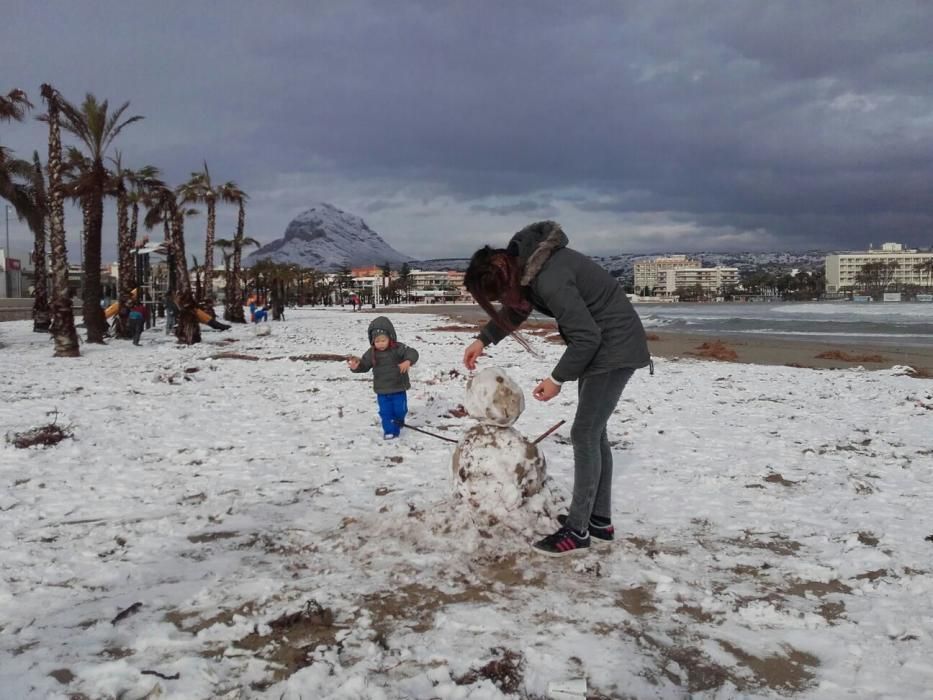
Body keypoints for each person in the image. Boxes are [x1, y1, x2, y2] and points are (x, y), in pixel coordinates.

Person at [462, 221, 651, 557]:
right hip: (605, 346)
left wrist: (556, 379)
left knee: (584, 434)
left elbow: (587, 337)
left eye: (497, 294)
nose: (501, 300)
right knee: (595, 434)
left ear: (504, 276)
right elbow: (517, 310)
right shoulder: (528, 269)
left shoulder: (549, 277)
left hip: (614, 348)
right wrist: (484, 338)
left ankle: (578, 532)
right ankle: (599, 521)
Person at [347, 316, 419, 439]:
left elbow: (412, 352)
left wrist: (408, 361)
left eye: (383, 340)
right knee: (385, 413)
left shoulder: (398, 348)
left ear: (390, 337)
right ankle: (390, 431)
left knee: (400, 411)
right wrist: (356, 367)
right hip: (382, 390)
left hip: (398, 388)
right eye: (377, 341)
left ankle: (399, 421)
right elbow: (364, 364)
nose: (380, 344)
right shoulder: (371, 353)